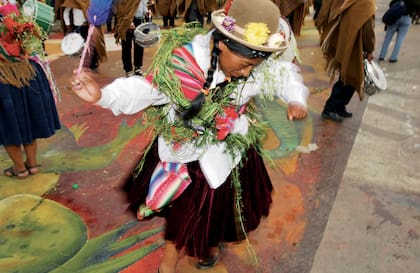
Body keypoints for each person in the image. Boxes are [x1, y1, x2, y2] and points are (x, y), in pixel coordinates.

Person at [70, 0, 308, 272]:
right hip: (186, 152)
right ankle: (167, 266)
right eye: (244, 65)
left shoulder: (254, 64)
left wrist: (295, 99)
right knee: (187, 210)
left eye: (254, 66)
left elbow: (284, 74)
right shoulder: (184, 64)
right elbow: (145, 90)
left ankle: (208, 246)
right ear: (222, 44)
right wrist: (103, 95)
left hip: (230, 150)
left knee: (220, 207)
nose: (247, 72)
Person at [1, 1, 61, 178]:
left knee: (8, 125)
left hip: (4, 78)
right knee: (26, 120)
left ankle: (20, 169)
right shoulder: (15, 11)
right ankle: (32, 164)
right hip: (26, 72)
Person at [315, 0, 376, 123]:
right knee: (348, 79)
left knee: (348, 79)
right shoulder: (367, 4)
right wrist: (370, 50)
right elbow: (368, 31)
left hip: (343, 43)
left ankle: (339, 107)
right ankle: (330, 108)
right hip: (353, 48)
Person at [114, 0, 149, 77]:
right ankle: (128, 69)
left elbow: (143, 3)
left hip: (140, 20)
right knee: (126, 46)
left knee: (139, 45)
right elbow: (121, 7)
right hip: (127, 20)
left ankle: (138, 67)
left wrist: (146, 12)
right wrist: (129, 22)